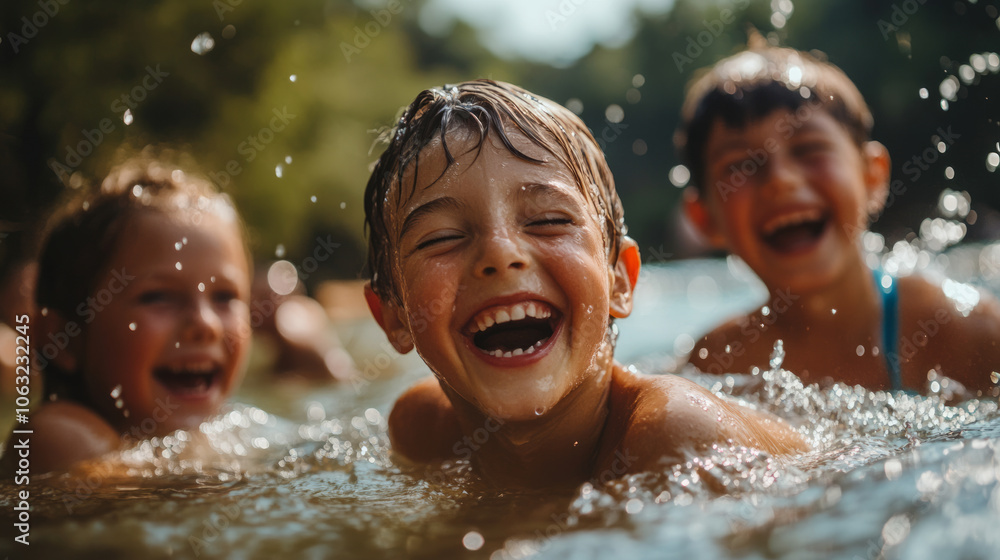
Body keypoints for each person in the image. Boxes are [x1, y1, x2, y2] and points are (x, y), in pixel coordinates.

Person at [362, 79, 807, 488]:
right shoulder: (421, 430)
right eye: (443, 238)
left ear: (620, 281)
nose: (500, 254)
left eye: (548, 220)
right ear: (395, 316)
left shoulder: (675, 435)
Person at [678, 40, 1000, 394]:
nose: (780, 181)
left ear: (871, 176)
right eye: (740, 166)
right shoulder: (714, 367)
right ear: (704, 217)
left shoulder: (966, 332)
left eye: (808, 149)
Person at [3, 152, 252, 474]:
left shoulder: (224, 429)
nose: (206, 324)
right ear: (64, 339)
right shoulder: (58, 435)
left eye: (224, 297)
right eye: (159, 296)